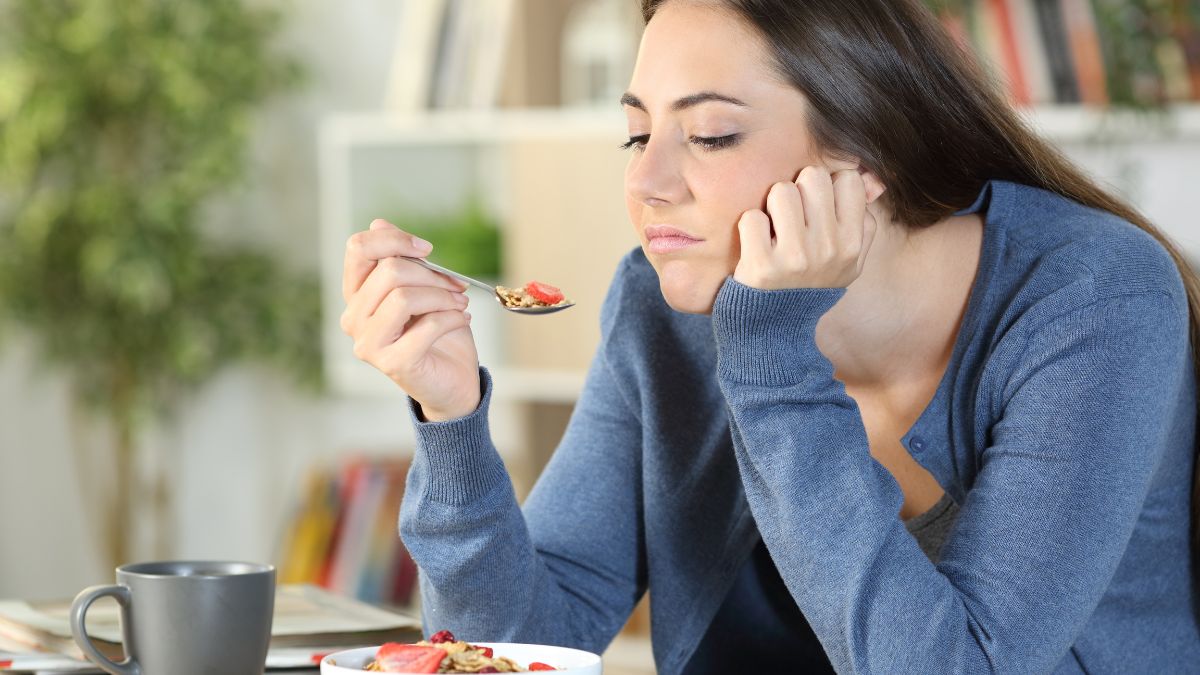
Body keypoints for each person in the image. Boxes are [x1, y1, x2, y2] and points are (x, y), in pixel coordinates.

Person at [339, 0, 1200, 672]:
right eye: (637, 131)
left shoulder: (1094, 299)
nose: (644, 179)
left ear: (867, 155)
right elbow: (519, 644)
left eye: (710, 134)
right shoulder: (660, 304)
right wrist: (451, 424)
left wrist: (772, 355)